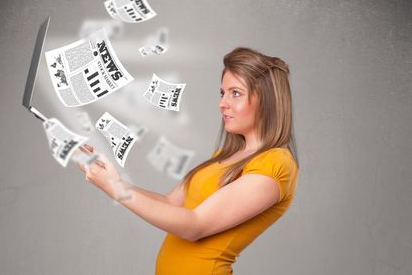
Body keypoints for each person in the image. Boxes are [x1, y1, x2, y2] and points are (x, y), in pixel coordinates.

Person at [78, 47, 299, 275]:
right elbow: (170, 203)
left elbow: (195, 226)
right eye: (222, 93)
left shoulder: (276, 164)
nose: (222, 103)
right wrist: (114, 179)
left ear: (267, 100)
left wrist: (115, 189)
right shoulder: (226, 156)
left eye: (235, 93)